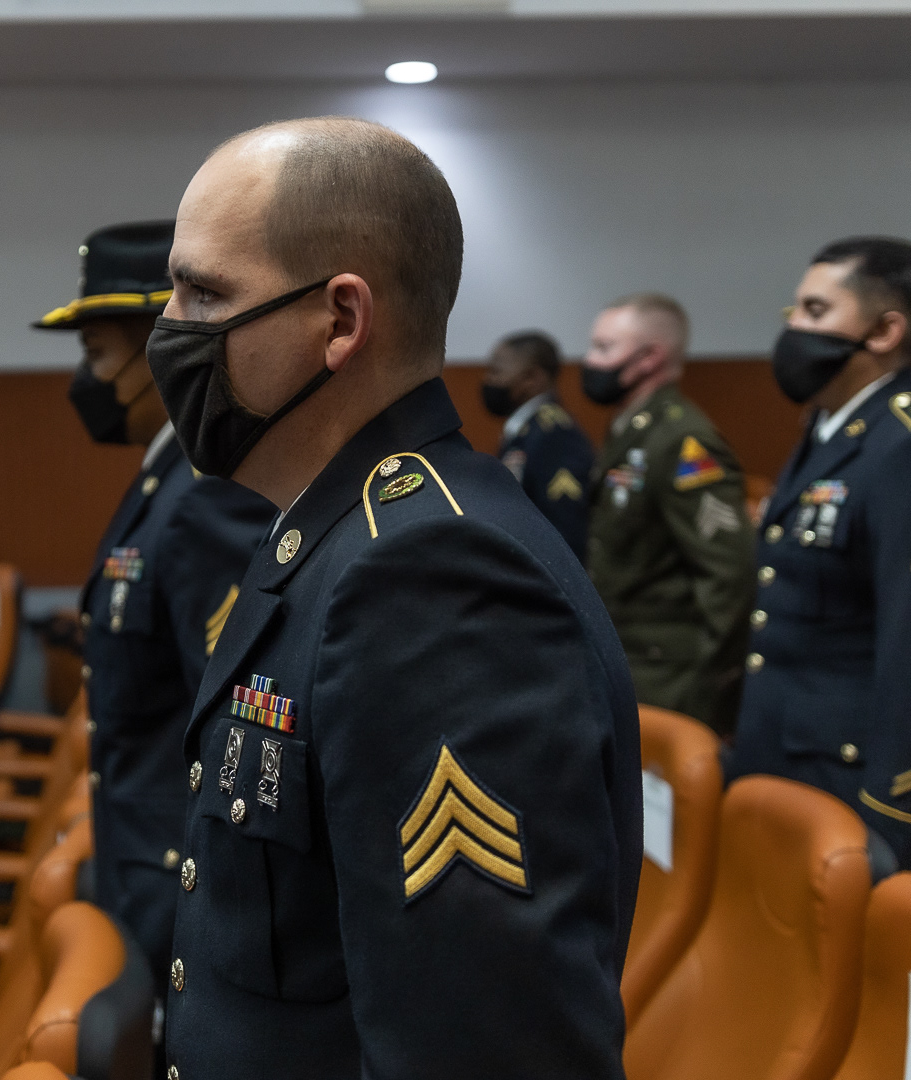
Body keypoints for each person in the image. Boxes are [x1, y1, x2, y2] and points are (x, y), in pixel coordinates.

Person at [154, 117, 641, 1079]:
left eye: (203, 293)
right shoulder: (333, 531)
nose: (167, 330)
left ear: (341, 321)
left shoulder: (428, 572)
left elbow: (484, 1047)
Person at [32, 220, 275, 1015]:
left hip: (180, 873)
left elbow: (231, 720)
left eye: (97, 353)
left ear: (160, 347)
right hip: (140, 860)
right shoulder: (163, 481)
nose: (87, 379)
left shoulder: (205, 494)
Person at [729, 237, 911, 881]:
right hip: (788, 764)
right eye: (796, 309)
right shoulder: (831, 431)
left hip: (858, 793)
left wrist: (895, 827)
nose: (793, 327)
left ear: (884, 331)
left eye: (816, 310)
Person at [582, 293, 754, 735]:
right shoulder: (632, 428)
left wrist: (708, 688)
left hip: (668, 678)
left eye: (604, 348)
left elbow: (728, 574)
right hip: (626, 659)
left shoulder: (681, 439)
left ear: (649, 358)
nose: (589, 360)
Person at [480, 330, 594, 558]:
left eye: (496, 372)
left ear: (532, 378)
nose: (488, 380)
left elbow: (565, 528)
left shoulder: (553, 436)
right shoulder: (525, 430)